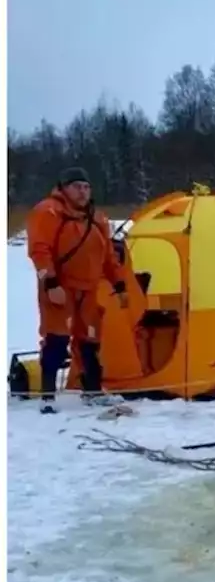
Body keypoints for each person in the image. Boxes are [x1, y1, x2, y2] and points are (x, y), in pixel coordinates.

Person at [26, 167, 129, 413]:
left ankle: (92, 390)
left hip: (89, 290)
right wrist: (51, 283)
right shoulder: (48, 212)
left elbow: (107, 257)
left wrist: (120, 284)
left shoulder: (98, 218)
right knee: (56, 338)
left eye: (86, 187)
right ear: (64, 188)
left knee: (90, 340)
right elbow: (39, 250)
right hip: (61, 288)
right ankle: (48, 396)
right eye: (76, 187)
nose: (82, 192)